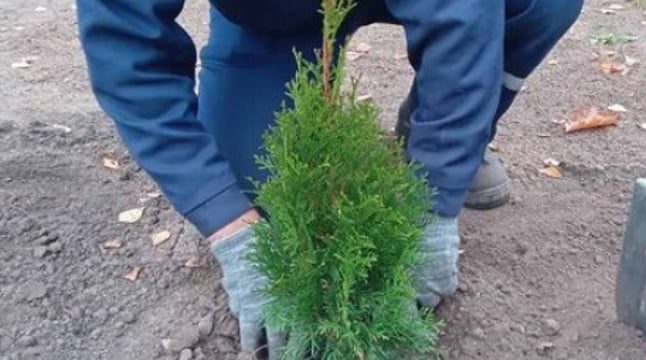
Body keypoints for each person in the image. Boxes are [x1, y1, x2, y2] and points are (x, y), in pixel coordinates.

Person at [75, 0, 584, 356]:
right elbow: (126, 49)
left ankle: (434, 132)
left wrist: (436, 198)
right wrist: (227, 225)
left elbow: (462, 13)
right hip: (270, 18)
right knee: (258, 192)